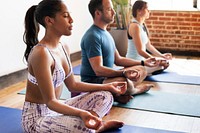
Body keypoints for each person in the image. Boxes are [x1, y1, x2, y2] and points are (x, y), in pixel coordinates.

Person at [21, 0, 128, 132]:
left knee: (105, 96)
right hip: (38, 119)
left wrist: (108, 86)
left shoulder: (63, 46)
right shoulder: (41, 53)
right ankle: (96, 127)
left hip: (57, 108)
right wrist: (80, 113)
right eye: (65, 16)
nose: (71, 20)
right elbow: (50, 102)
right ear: (49, 21)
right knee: (80, 126)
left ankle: (93, 125)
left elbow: (73, 85)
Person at [80, 0, 159, 104]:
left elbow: (118, 60)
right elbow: (98, 70)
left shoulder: (106, 34)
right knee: (125, 82)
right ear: (98, 13)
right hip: (95, 82)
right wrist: (123, 73)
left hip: (108, 78)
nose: (114, 12)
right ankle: (134, 90)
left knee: (142, 70)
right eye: (109, 9)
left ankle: (119, 92)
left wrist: (143, 62)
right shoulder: (92, 36)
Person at [126, 0, 173, 75]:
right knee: (161, 65)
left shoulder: (142, 25)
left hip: (143, 61)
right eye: (146, 8)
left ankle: (143, 72)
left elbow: (149, 45)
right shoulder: (134, 26)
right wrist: (153, 60)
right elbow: (140, 51)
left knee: (165, 63)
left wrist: (161, 56)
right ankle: (138, 72)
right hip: (134, 62)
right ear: (139, 11)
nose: (149, 11)